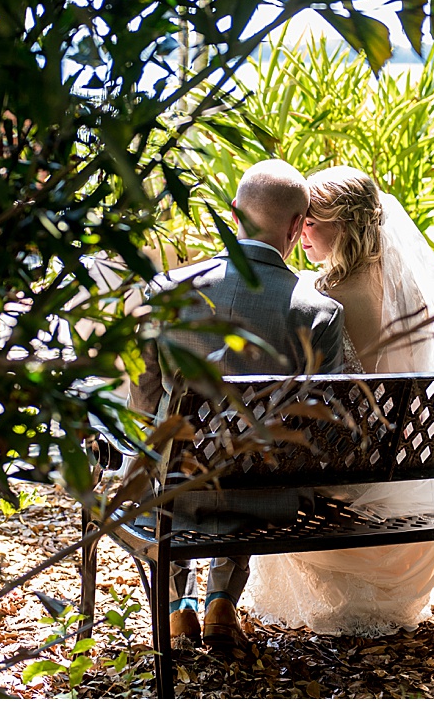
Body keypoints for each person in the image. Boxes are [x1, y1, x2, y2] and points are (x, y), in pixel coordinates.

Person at [242, 165, 434, 636]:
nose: (299, 231)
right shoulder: (413, 293)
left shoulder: (322, 297)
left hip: (350, 478)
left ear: (342, 226)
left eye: (310, 221)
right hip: (410, 471)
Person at [129, 159, 346, 650]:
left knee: (163, 449)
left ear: (232, 214)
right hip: (267, 495)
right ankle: (221, 597)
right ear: (296, 227)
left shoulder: (166, 292)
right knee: (257, 450)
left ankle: (173, 605)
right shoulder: (319, 312)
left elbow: (143, 401)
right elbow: (327, 420)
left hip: (174, 488)